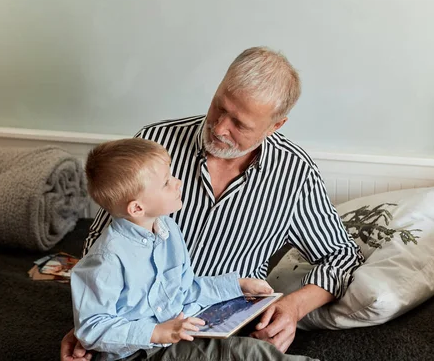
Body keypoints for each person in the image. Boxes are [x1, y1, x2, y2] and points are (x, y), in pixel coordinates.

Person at [62, 47, 364, 361]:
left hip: (217, 331)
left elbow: (342, 257)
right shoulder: (154, 146)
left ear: (275, 125)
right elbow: (100, 245)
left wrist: (292, 308)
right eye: (219, 105)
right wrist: (92, 328)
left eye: (240, 124)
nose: (219, 127)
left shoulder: (295, 175)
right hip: (139, 329)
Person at [71, 138, 317, 361]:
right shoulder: (107, 259)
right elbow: (92, 328)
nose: (178, 183)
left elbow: (186, 288)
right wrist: (156, 332)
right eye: (167, 183)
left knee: (246, 350)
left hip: (179, 333)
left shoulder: (168, 229)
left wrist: (236, 285)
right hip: (139, 352)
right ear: (137, 209)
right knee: (245, 354)